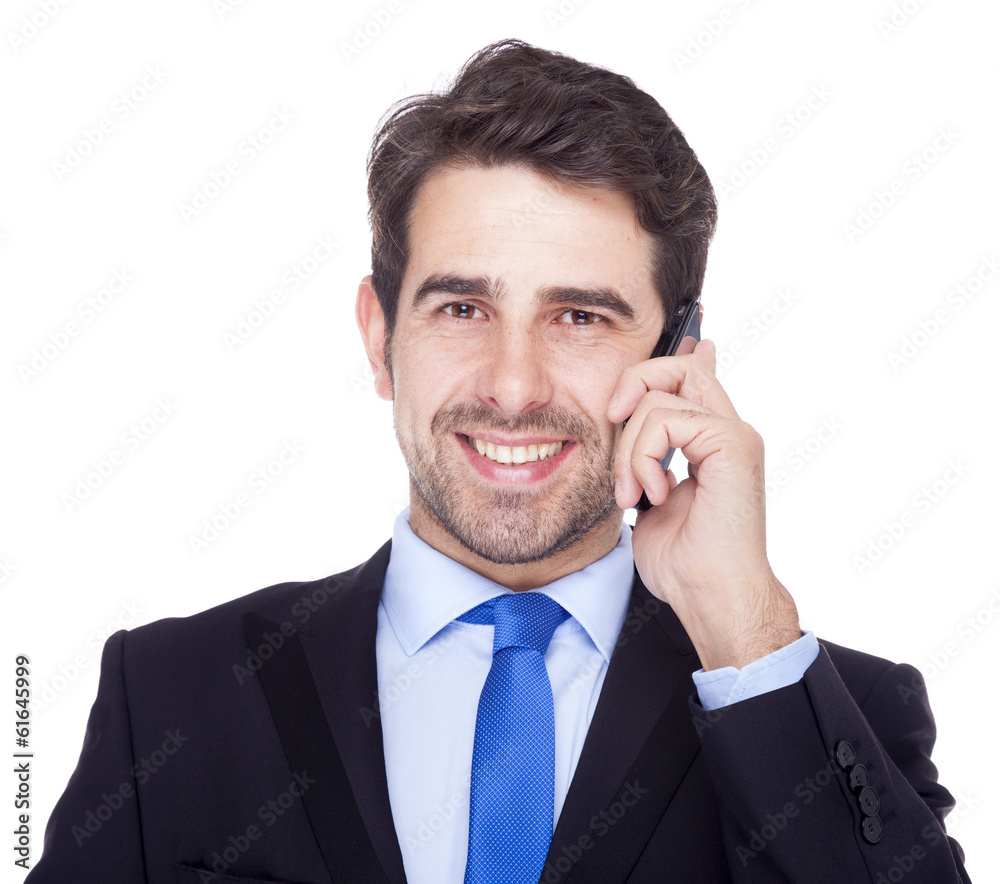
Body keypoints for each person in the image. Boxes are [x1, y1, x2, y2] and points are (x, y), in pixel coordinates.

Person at [26, 39, 970, 884]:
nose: (513, 388)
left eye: (579, 316)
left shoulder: (821, 706)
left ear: (678, 358)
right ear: (377, 336)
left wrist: (744, 629)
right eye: (461, 309)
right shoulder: (171, 697)